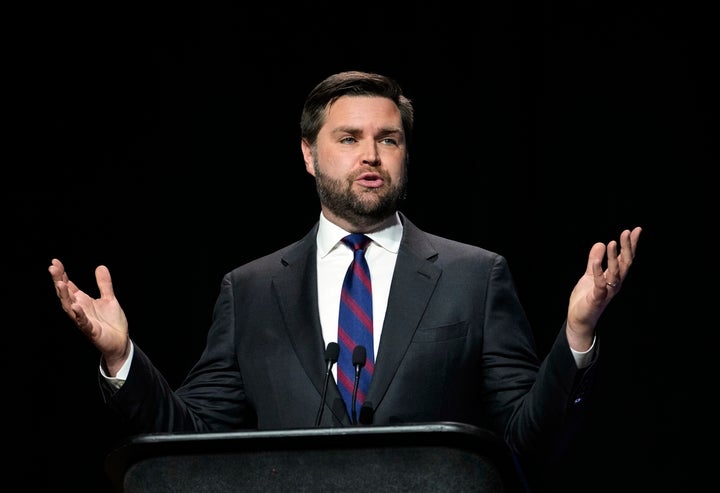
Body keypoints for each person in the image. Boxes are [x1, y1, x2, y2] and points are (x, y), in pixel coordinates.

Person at [48, 70, 642, 489]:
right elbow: (191, 439)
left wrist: (576, 335)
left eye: (389, 139)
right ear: (308, 154)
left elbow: (523, 441)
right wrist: (123, 359)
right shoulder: (251, 290)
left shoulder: (476, 277)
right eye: (349, 138)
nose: (372, 156)